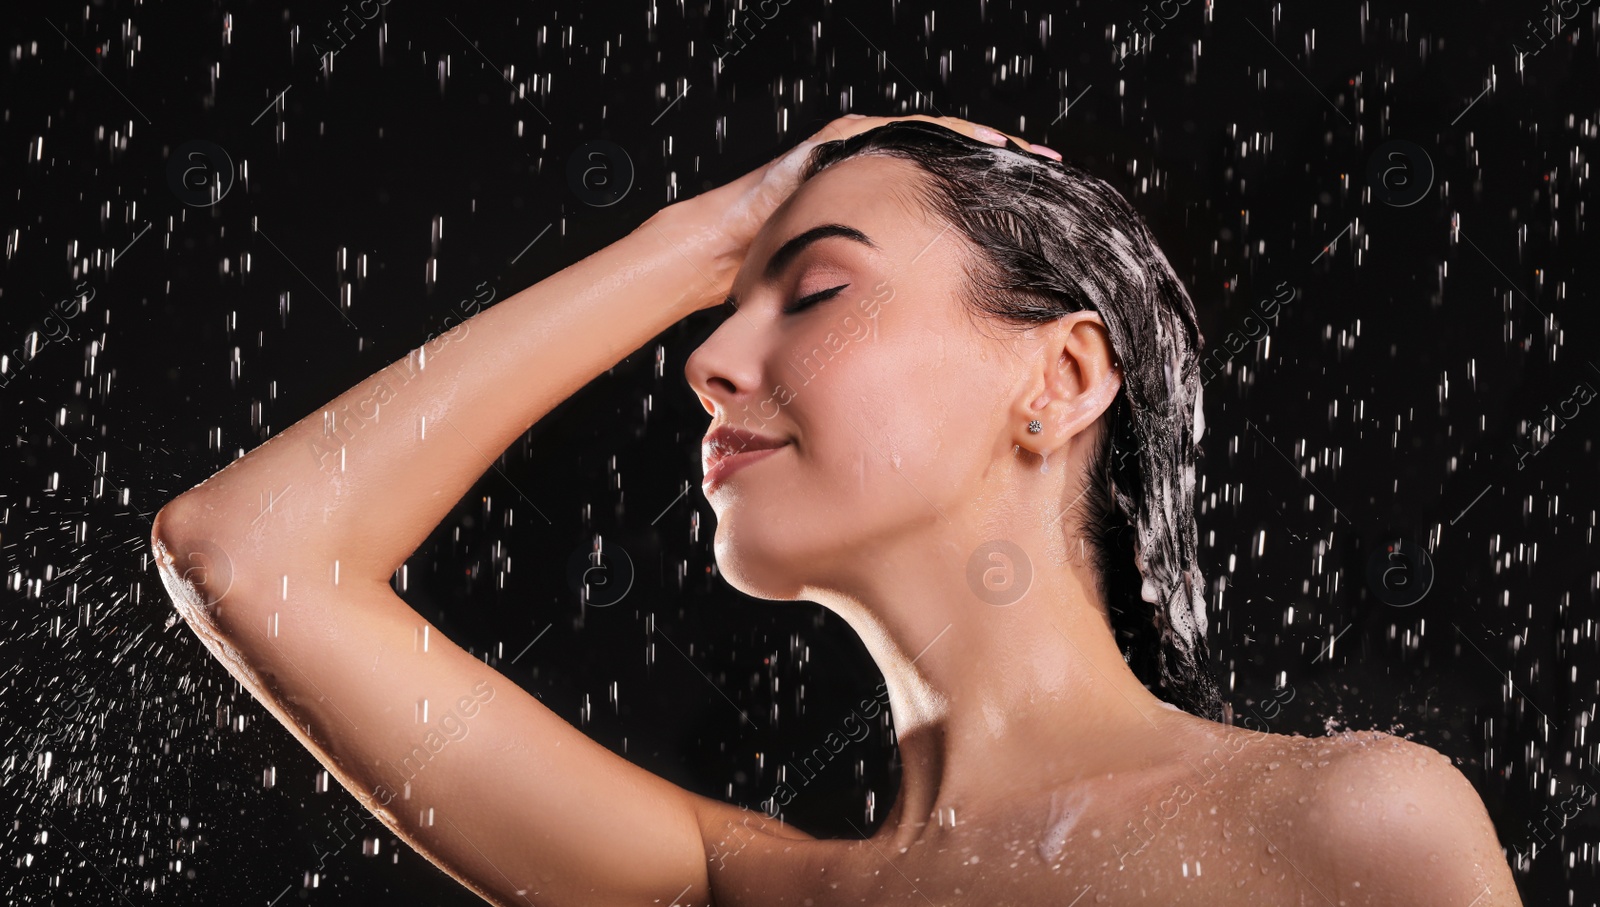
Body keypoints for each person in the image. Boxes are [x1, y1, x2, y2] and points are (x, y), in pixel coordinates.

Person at [151, 115, 1523, 905]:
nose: (706, 360)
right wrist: (692, 239)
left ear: (1061, 374)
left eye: (811, 293)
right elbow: (255, 552)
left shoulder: (1338, 825)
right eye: (723, 308)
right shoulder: (742, 891)